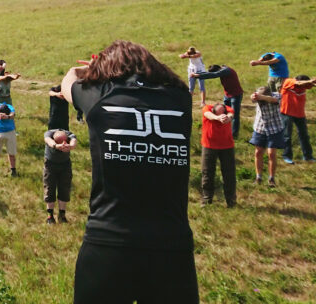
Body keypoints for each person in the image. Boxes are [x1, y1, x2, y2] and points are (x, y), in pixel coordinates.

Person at [61, 40, 197, 304]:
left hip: (108, 242)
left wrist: (92, 70)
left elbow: (69, 79)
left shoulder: (100, 97)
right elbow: (172, 79)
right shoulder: (181, 100)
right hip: (172, 248)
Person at [192, 64, 245, 138]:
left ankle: (234, 135)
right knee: (224, 114)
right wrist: (196, 75)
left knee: (234, 116)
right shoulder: (222, 70)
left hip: (235, 95)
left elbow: (214, 74)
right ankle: (225, 132)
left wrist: (198, 76)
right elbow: (210, 73)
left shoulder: (226, 70)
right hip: (227, 95)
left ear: (218, 69)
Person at [200, 103, 235, 206]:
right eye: (218, 112)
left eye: (222, 112)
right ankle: (207, 199)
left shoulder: (228, 110)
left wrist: (227, 118)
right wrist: (217, 118)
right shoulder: (207, 108)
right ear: (213, 110)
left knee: (229, 174)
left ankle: (231, 200)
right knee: (207, 172)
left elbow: (231, 115)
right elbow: (207, 114)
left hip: (227, 146)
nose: (221, 114)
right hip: (209, 145)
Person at [250, 84, 284, 186]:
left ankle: (271, 178)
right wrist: (254, 96)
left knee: (271, 154)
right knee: (258, 152)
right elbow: (252, 98)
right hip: (260, 127)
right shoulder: (258, 97)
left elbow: (274, 100)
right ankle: (258, 177)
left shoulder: (277, 96)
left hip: (275, 128)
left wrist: (262, 97)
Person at [43, 128, 77, 223]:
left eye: (63, 141)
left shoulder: (69, 135)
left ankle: (62, 215)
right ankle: (50, 216)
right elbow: (48, 141)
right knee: (49, 188)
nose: (62, 143)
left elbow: (74, 141)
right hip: (50, 164)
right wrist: (56, 146)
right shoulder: (49, 134)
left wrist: (69, 146)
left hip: (65, 164)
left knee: (64, 188)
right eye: (59, 141)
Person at [280, 75, 316, 164]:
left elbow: (311, 85)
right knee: (287, 136)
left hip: (300, 114)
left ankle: (308, 156)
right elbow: (299, 83)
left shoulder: (304, 86)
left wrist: (313, 82)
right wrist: (310, 81)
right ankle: (287, 156)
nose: (307, 88)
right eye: (306, 85)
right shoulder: (289, 81)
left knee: (304, 136)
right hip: (286, 113)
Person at [0, 102, 18, 178]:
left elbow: (12, 114)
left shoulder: (11, 107)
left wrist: (7, 117)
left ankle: (13, 170)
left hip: (10, 131)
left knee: (11, 152)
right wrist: (0, 115)